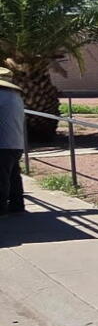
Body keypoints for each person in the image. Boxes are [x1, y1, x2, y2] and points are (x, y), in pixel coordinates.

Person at [0, 64, 26, 214]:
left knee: (2, 178)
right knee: (14, 175)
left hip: (2, 143)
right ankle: (17, 205)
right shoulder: (15, 97)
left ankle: (1, 209)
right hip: (16, 142)